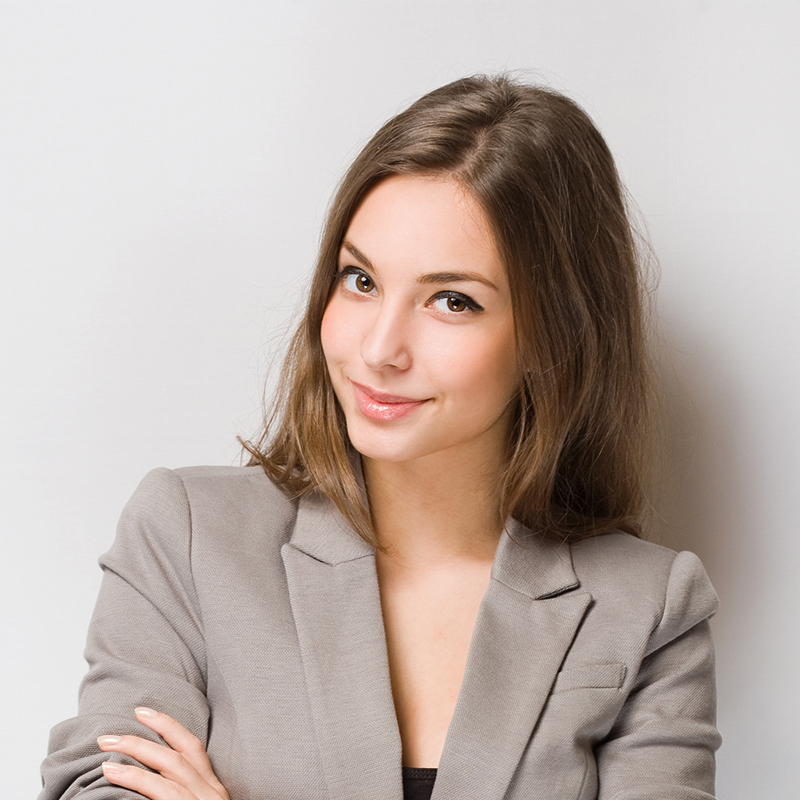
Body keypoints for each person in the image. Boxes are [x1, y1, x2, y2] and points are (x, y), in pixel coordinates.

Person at [39, 74, 720, 800]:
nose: (378, 349)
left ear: (555, 334)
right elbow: (101, 784)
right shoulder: (187, 536)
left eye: (451, 300)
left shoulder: (650, 606)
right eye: (360, 280)